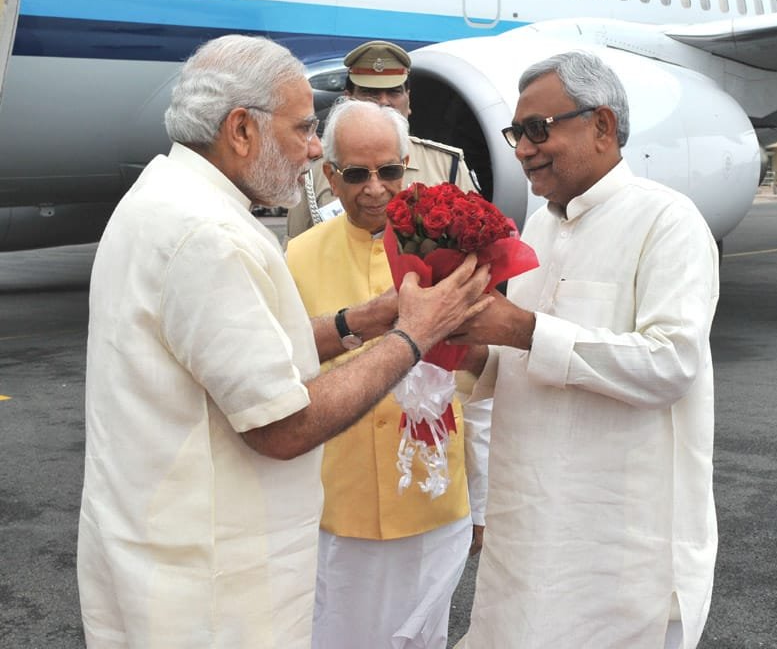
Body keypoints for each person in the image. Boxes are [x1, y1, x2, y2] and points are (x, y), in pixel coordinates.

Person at [76, 35, 491, 649]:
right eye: (302, 128)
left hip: (173, 552)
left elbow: (249, 356)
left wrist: (357, 322)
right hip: (213, 588)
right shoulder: (209, 236)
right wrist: (412, 336)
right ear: (242, 129)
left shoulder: (167, 198)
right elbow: (281, 426)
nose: (315, 146)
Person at [451, 51, 719, 649]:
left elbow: (670, 364)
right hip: (527, 536)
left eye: (538, 130)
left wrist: (520, 330)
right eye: (516, 132)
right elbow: (527, 355)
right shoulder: (540, 227)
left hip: (616, 553)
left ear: (602, 126)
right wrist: (472, 349)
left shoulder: (667, 221)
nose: (522, 148)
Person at [285, 98, 490, 649]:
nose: (374, 188)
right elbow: (280, 368)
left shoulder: (453, 255)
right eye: (355, 174)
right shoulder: (295, 257)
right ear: (329, 176)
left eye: (389, 171)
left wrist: (484, 500)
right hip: (336, 508)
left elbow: (482, 388)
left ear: (408, 165)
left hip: (431, 497)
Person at [285, 40, 478, 240]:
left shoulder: (446, 165)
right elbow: (295, 251)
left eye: (394, 91)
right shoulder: (315, 171)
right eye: (370, 92)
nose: (384, 101)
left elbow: (472, 241)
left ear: (409, 99)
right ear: (347, 99)